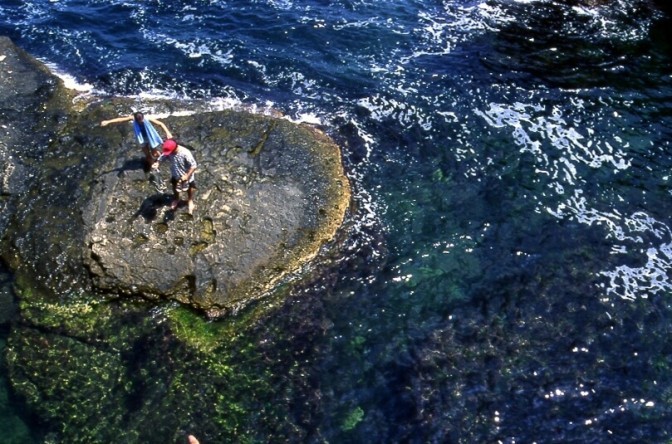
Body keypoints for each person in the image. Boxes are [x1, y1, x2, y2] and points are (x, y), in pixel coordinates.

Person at [101, 111, 173, 190]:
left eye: (142, 119)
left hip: (150, 137)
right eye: (139, 120)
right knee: (148, 155)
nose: (141, 121)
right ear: (135, 119)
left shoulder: (147, 118)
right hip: (141, 138)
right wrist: (108, 121)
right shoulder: (133, 119)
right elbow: (121, 119)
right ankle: (154, 168)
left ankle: (165, 159)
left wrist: (167, 132)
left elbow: (160, 124)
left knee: (155, 153)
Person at [155, 138, 198, 214]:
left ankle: (190, 200)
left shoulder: (185, 153)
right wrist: (158, 162)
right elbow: (164, 155)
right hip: (175, 173)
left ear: (175, 148)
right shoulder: (169, 151)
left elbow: (194, 165)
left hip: (186, 175)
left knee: (189, 188)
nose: (169, 153)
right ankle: (177, 199)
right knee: (175, 187)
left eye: (170, 152)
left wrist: (187, 176)